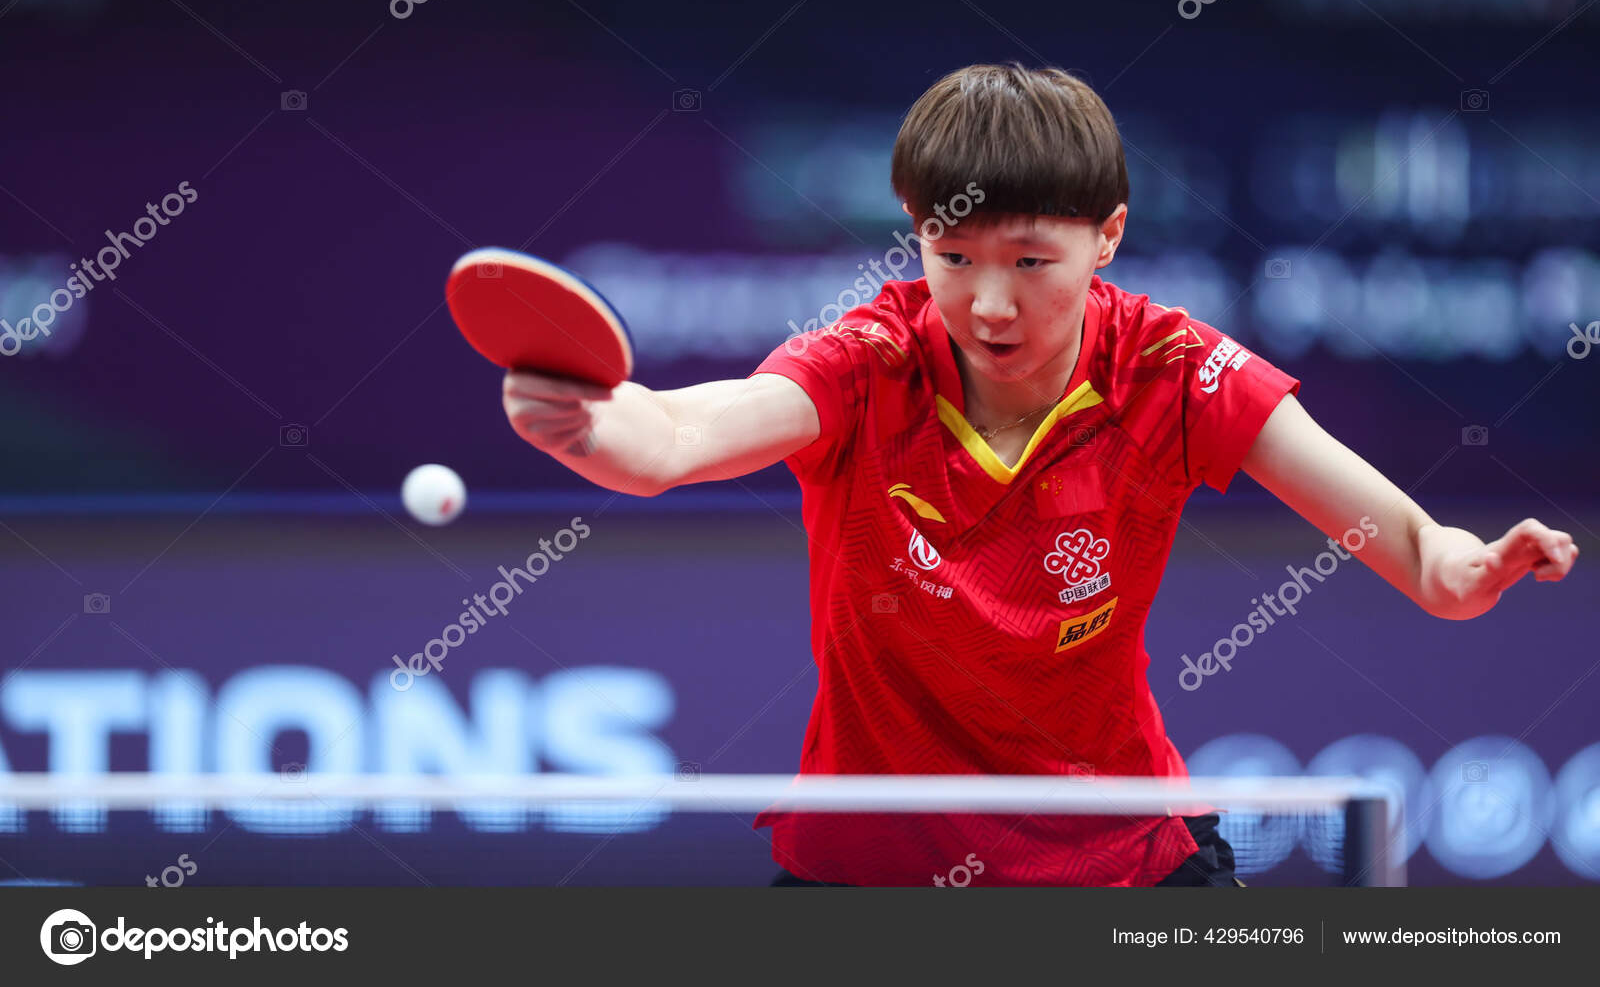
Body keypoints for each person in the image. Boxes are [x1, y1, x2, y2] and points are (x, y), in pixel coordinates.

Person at [500, 62, 1580, 887]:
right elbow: (672, 438)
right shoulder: (867, 364)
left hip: (1119, 862)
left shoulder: (1172, 371)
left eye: (1028, 261)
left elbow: (1410, 545)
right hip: (869, 869)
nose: (988, 304)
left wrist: (1460, 569)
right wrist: (588, 420)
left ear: (1107, 237)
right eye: (952, 257)